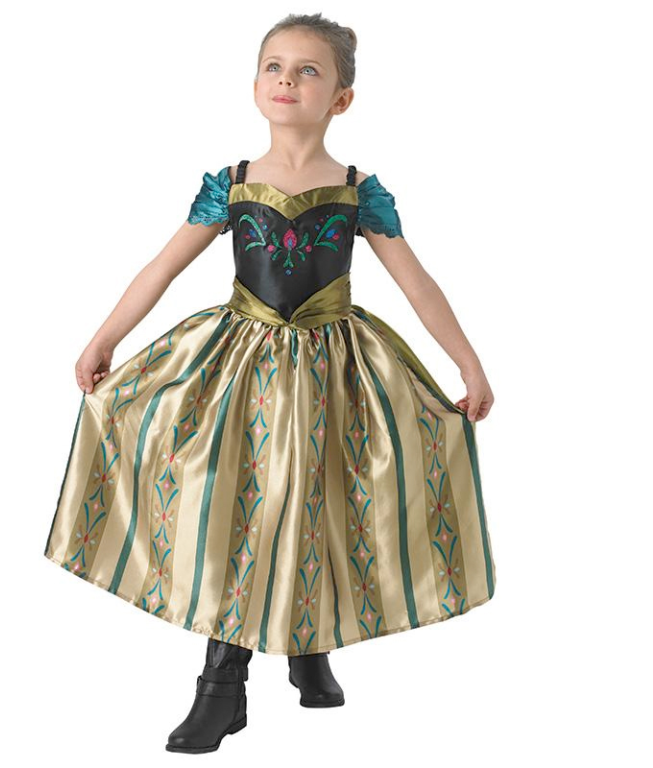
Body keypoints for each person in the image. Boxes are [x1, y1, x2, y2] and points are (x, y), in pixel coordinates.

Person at [44, 12, 497, 754]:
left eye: (308, 70)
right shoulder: (232, 185)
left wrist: (468, 363)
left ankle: (307, 645)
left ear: (341, 99)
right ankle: (223, 687)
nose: (287, 80)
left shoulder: (356, 191)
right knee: (243, 510)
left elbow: (417, 285)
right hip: (242, 370)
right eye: (274, 67)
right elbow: (162, 267)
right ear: (256, 84)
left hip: (335, 372)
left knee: (317, 501)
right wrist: (105, 337)